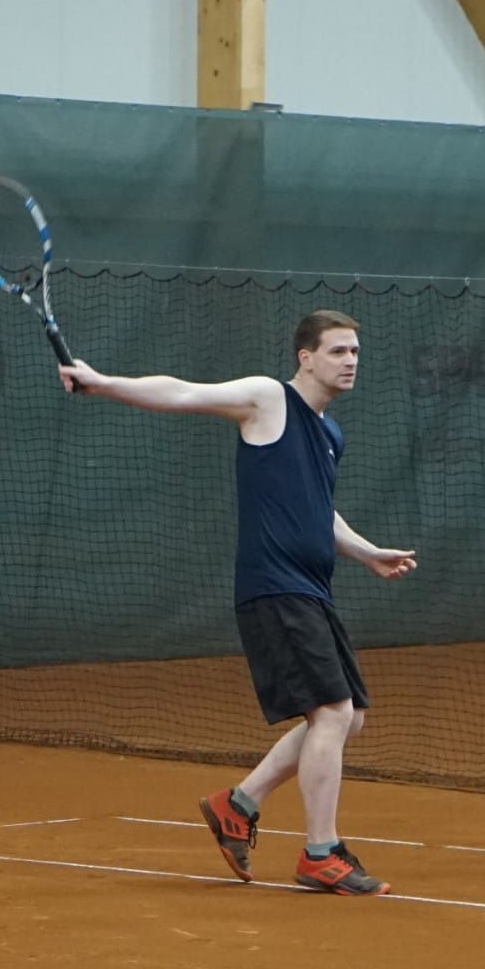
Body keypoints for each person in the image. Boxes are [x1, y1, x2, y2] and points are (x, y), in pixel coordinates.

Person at [60, 310, 417, 894]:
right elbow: (182, 393)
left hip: (312, 587)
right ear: (306, 358)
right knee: (331, 712)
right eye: (337, 351)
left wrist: (366, 552)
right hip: (275, 585)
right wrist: (103, 383)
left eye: (355, 351)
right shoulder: (267, 399)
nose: (351, 360)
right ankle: (321, 852)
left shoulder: (330, 434)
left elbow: (316, 509)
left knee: (347, 716)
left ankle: (239, 804)